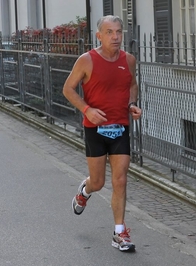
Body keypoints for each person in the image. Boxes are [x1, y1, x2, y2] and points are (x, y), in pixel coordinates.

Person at [62, 15, 142, 252]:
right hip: (94, 129)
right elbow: (67, 89)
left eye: (118, 32)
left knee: (120, 180)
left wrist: (131, 104)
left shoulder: (129, 60)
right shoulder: (87, 60)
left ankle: (119, 232)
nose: (115, 37)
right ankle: (84, 191)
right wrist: (87, 109)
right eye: (109, 32)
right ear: (99, 35)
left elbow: (131, 85)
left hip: (120, 128)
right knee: (98, 182)